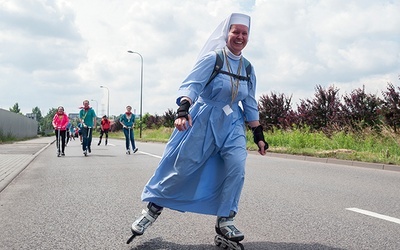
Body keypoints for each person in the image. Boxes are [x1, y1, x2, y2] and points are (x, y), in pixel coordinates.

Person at [128, 13, 268, 247]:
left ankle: (226, 219)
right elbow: (192, 85)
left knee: (237, 168)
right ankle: (152, 209)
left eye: (245, 33)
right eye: (236, 32)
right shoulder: (213, 59)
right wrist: (183, 110)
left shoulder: (248, 68)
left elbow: (250, 103)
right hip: (203, 120)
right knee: (182, 168)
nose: (240, 37)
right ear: (227, 33)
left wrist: (258, 135)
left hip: (233, 123)